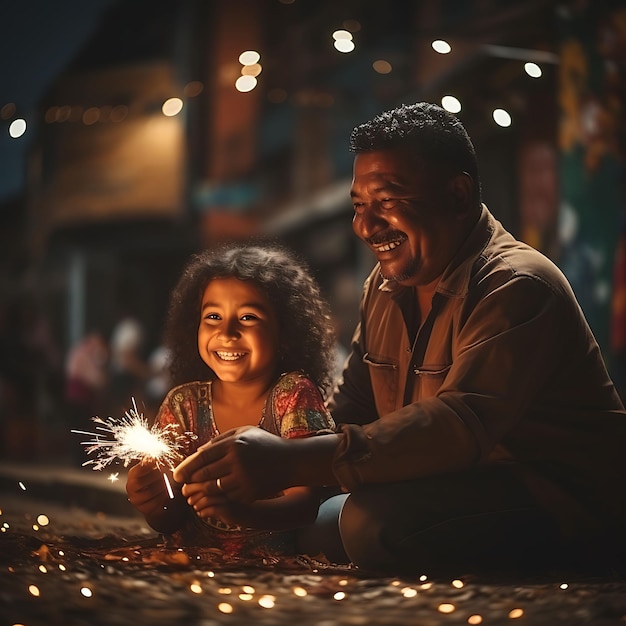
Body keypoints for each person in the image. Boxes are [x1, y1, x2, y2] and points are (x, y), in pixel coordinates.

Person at [173, 102, 626, 575]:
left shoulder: (517, 284)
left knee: (370, 524)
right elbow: (353, 406)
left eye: (387, 201)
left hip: (559, 497)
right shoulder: (387, 287)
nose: (366, 226)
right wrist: (240, 474)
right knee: (322, 523)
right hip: (453, 486)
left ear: (456, 196)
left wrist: (288, 462)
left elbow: (458, 425)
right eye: (358, 205)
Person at [125, 244, 336, 557]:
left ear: (285, 331)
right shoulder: (182, 405)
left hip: (275, 570)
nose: (227, 332)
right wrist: (151, 499)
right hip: (190, 571)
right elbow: (167, 519)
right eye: (213, 316)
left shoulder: (293, 394)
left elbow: (305, 504)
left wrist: (242, 512)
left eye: (248, 317)